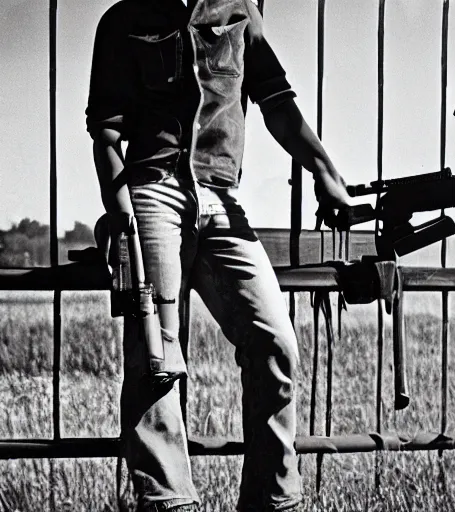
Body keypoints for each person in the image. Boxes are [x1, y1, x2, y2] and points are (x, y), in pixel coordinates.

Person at [86, 0, 352, 510]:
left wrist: (324, 171)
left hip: (222, 196)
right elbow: (107, 133)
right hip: (151, 190)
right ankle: (169, 501)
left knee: (276, 341)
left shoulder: (239, 12)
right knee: (154, 353)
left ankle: (271, 499)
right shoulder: (123, 20)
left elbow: (277, 101)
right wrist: (122, 216)